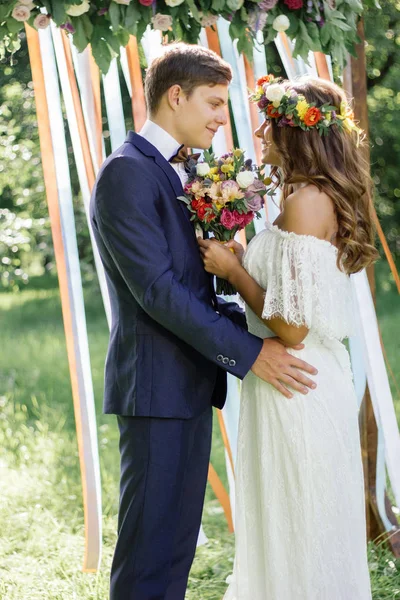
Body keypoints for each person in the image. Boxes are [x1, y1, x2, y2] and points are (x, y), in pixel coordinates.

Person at [89, 46, 317, 600]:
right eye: (213, 102)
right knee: (150, 554)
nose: (222, 115)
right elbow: (159, 293)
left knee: (175, 550)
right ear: (175, 96)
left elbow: (192, 283)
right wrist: (252, 351)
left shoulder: (182, 170)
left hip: (187, 385)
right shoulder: (127, 173)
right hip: (155, 390)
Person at [199, 75, 378, 599]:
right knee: (288, 522)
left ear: (297, 132)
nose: (259, 131)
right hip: (287, 383)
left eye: (269, 122)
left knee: (302, 526)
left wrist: (233, 273)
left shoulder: (308, 201)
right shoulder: (299, 194)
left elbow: (292, 327)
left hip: (297, 383)